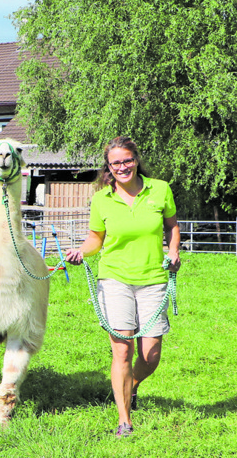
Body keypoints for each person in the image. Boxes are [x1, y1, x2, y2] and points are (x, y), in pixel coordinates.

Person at [64, 136, 181, 437]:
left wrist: (174, 251)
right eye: (116, 162)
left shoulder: (160, 189)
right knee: (122, 351)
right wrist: (82, 251)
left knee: (151, 355)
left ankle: (133, 385)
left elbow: (172, 226)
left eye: (127, 160)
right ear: (109, 166)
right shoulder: (102, 199)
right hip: (114, 278)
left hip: (153, 278)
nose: (123, 166)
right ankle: (124, 420)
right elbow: (95, 237)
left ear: (136, 159)